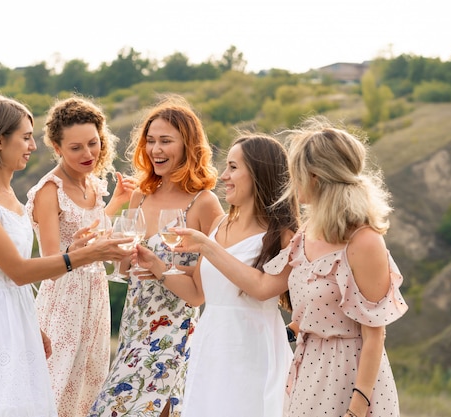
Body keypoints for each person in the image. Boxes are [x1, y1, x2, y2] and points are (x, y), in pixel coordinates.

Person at [174, 115, 409, 417]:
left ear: (316, 176)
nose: (290, 180)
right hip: (306, 372)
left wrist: (358, 406)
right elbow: (295, 306)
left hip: (350, 375)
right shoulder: (305, 237)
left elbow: (375, 334)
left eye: (296, 171)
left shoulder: (365, 241)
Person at [0, 94, 130, 416]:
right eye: (26, 138)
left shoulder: (9, 196)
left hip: (16, 314)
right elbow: (17, 270)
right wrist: (83, 256)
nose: (32, 146)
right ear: (0, 141)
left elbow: (15, 277)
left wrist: (32, 325)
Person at [132, 133, 299, 416]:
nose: (224, 176)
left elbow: (261, 288)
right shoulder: (221, 223)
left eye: (233, 167)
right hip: (211, 343)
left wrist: (207, 246)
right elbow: (199, 292)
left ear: (259, 173)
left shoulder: (284, 235)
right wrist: (156, 266)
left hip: (252, 346)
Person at [88, 94, 224, 417]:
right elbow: (125, 269)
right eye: (150, 141)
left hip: (173, 335)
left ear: (188, 145)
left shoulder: (205, 204)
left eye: (166, 140)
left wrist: (159, 267)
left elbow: (197, 295)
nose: (155, 149)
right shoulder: (141, 195)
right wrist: (119, 250)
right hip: (133, 328)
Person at [25, 95, 136, 417]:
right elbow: (51, 267)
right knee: (57, 384)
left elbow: (91, 232)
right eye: (76, 148)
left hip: (95, 297)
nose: (88, 154)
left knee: (90, 384)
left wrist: (115, 203)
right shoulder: (49, 191)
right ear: (57, 148)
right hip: (63, 301)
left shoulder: (92, 184)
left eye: (93, 143)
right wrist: (75, 252)